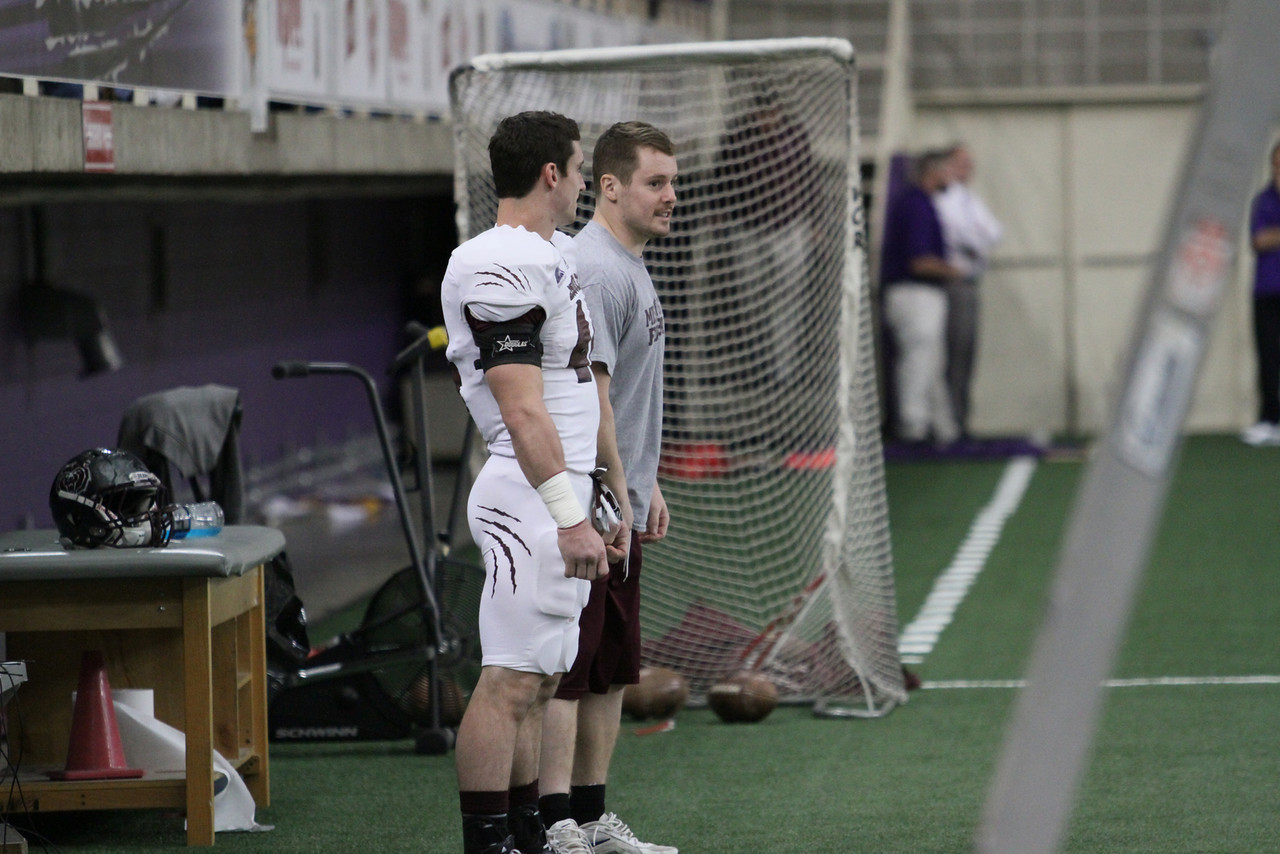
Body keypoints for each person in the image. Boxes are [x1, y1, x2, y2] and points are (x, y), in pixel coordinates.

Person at [442, 110, 616, 854]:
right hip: (527, 494)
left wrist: (600, 488)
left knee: (542, 679)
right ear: (553, 174)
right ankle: (488, 843)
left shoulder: (549, 252)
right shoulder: (495, 260)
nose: (582, 184)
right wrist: (569, 514)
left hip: (557, 491)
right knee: (511, 680)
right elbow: (520, 409)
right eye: (580, 170)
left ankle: (523, 834)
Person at [537, 122, 677, 854]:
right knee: (570, 667)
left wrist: (644, 484)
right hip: (591, 503)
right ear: (610, 186)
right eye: (656, 182)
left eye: (673, 182)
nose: (670, 196)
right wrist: (615, 490)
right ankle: (555, 822)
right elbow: (589, 394)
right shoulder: (594, 266)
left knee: (611, 670)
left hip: (620, 498)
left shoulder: (629, 263)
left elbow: (626, 391)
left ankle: (592, 819)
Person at [879, 149, 964, 444]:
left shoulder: (922, 203)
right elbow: (920, 262)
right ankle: (912, 426)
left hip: (921, 295)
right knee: (918, 358)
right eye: (947, 171)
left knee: (931, 360)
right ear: (933, 172)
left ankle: (943, 427)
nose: (950, 178)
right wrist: (954, 270)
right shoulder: (916, 206)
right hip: (914, 294)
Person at [935, 143, 1003, 438]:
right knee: (951, 352)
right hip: (951, 284)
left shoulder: (968, 199)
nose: (967, 168)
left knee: (966, 353)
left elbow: (995, 232)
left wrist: (976, 240)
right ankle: (947, 421)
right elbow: (958, 234)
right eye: (961, 162)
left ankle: (960, 419)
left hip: (970, 282)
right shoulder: (941, 200)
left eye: (969, 163)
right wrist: (976, 241)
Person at [1241, 140, 1280, 446]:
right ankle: (1269, 419)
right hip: (1267, 291)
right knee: (1268, 357)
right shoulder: (1264, 201)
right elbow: (1258, 240)